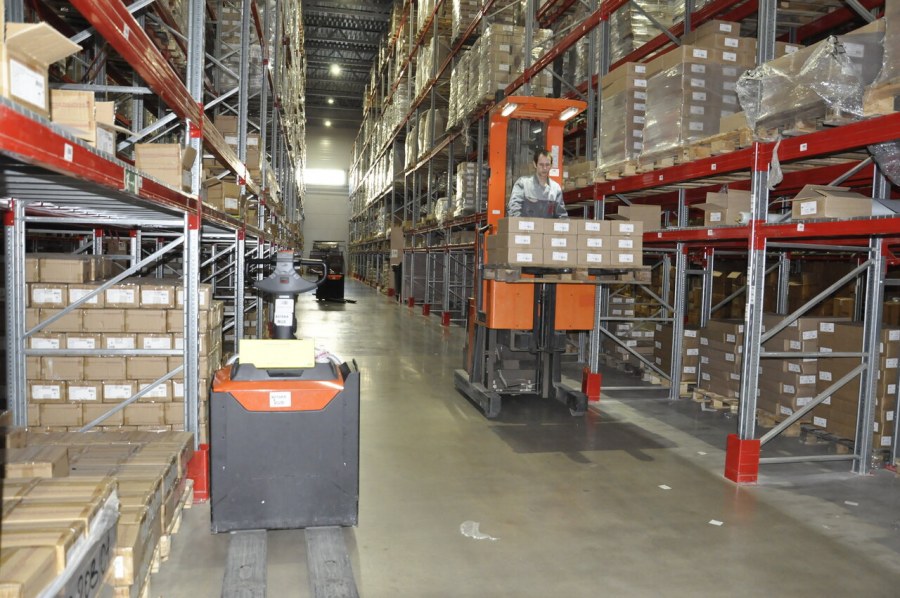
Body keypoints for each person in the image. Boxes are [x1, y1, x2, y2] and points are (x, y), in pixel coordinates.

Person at [507, 149, 567, 218]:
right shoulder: (523, 184)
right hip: (525, 225)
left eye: (547, 165)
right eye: (541, 164)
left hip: (547, 225)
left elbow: (561, 215)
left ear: (551, 165)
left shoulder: (556, 189)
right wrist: (521, 224)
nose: (544, 168)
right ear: (535, 164)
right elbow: (514, 209)